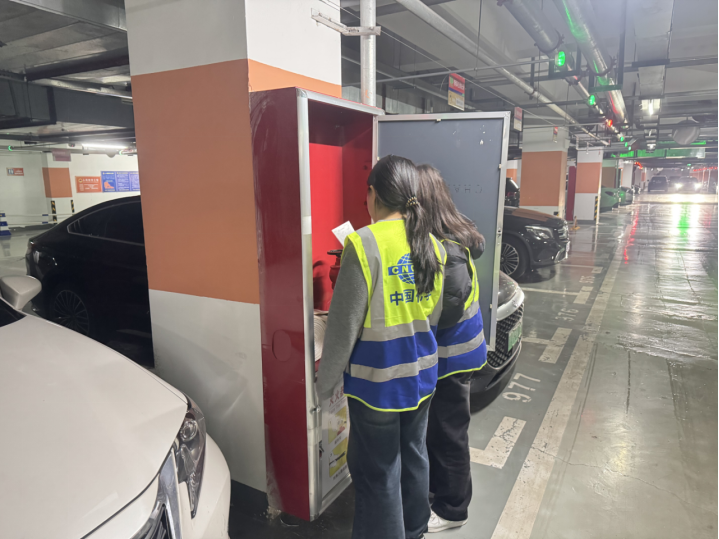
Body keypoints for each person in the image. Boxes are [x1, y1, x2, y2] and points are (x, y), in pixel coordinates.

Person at [317, 155, 447, 539]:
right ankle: (415, 529)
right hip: (422, 376)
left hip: (378, 385)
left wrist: (323, 386)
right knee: (414, 454)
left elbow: (343, 327)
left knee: (378, 472)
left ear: (373, 194)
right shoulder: (433, 245)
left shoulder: (363, 243)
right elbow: (432, 315)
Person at [416, 164, 487, 533]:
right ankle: (439, 491)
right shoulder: (451, 231)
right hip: (453, 353)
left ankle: (452, 510)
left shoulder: (446, 246)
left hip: (454, 356)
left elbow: (448, 307)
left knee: (449, 434)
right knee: (440, 430)